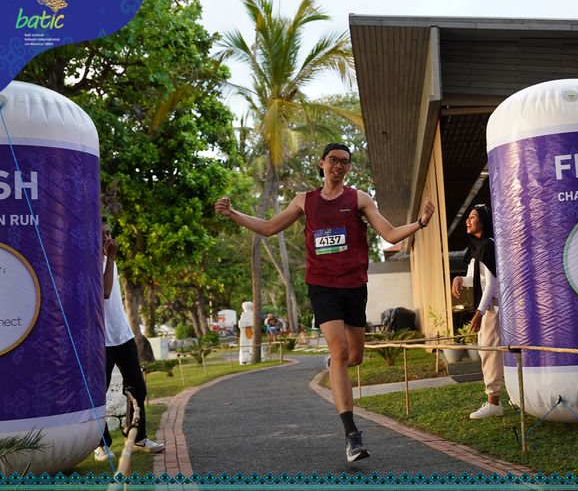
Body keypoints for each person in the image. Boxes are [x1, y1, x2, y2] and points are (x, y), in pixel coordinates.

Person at [215, 142, 435, 462]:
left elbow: (389, 234)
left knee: (354, 356)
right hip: (322, 286)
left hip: (354, 286)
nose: (339, 166)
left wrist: (421, 222)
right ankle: (352, 435)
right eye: (333, 160)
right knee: (340, 351)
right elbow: (269, 228)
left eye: (345, 162)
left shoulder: (359, 199)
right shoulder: (304, 201)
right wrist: (232, 213)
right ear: (321, 163)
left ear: (349, 168)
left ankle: (335, 367)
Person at [94, 221, 165, 462]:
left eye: (109, 233)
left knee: (137, 387)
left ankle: (138, 437)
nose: (108, 238)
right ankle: (101, 444)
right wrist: (111, 259)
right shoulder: (90, 264)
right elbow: (104, 293)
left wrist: (111, 259)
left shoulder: (109, 261)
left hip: (122, 335)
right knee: (99, 393)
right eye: (103, 234)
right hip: (101, 339)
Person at [451, 204, 504, 419]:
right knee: (486, 351)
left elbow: (491, 284)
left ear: (483, 221)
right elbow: (474, 279)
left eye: (473, 217)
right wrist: (459, 279)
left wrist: (480, 313)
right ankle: (497, 399)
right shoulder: (476, 247)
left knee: (490, 352)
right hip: (487, 307)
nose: (468, 220)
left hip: (492, 307)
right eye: (468, 217)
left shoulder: (488, 245)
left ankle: (494, 403)